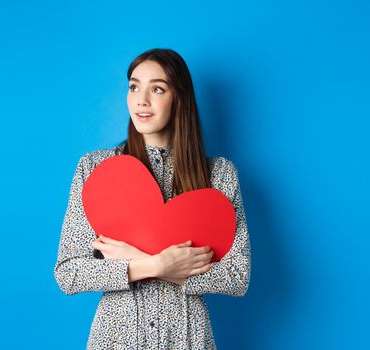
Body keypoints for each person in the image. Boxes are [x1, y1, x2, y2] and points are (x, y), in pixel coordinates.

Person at [53, 48, 251, 350]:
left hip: (188, 338)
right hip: (116, 339)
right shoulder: (95, 169)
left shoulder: (219, 175)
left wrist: (133, 256)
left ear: (179, 98)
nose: (141, 100)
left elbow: (237, 277)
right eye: (134, 87)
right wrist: (156, 265)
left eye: (156, 88)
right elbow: (69, 272)